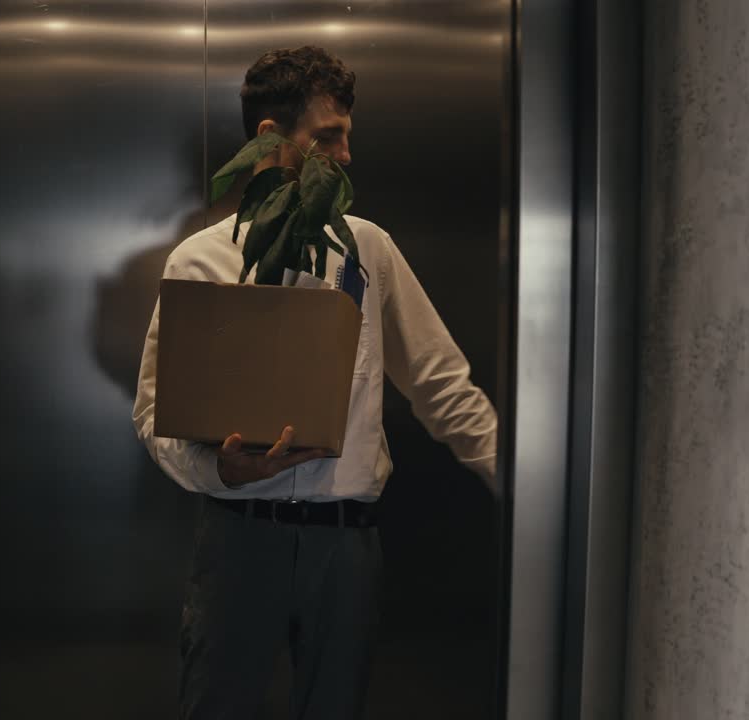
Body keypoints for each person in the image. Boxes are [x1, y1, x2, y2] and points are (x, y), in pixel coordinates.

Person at [132, 46, 498, 720]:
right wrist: (220, 470)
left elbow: (441, 383)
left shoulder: (368, 249)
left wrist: (522, 487)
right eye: (329, 137)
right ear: (271, 136)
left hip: (346, 543)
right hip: (239, 535)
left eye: (348, 136)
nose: (348, 156)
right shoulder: (202, 260)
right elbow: (154, 413)